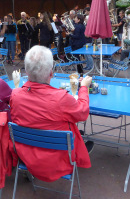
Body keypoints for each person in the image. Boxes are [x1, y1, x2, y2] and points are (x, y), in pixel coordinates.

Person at [10, 46, 92, 182]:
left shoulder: (15, 95)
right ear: (51, 73)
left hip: (27, 158)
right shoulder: (60, 98)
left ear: (27, 72)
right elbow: (82, 113)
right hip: (58, 162)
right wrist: (84, 87)